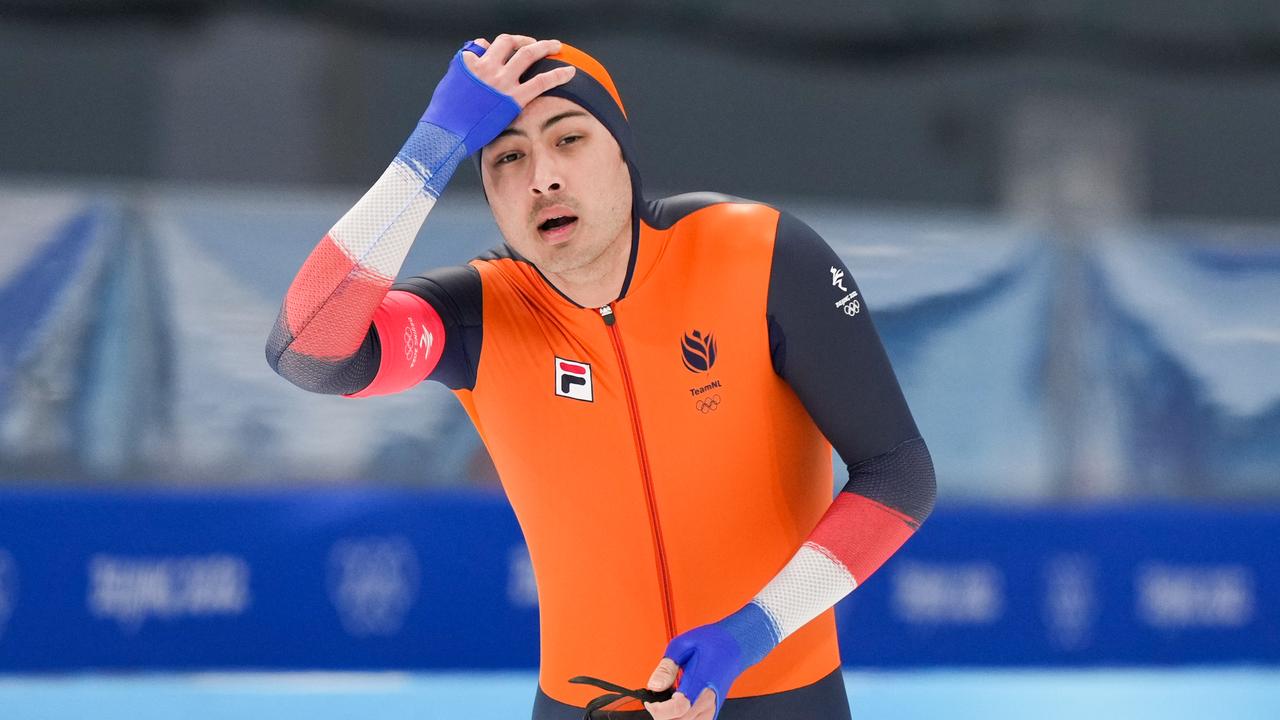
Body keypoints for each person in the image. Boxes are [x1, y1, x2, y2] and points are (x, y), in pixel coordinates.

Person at [267, 34, 936, 720]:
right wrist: (430, 149)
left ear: (623, 150)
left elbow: (898, 472)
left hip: (782, 697)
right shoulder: (478, 315)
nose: (543, 178)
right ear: (490, 194)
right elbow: (306, 351)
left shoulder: (758, 255)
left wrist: (751, 632)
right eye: (508, 157)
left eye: (570, 139)